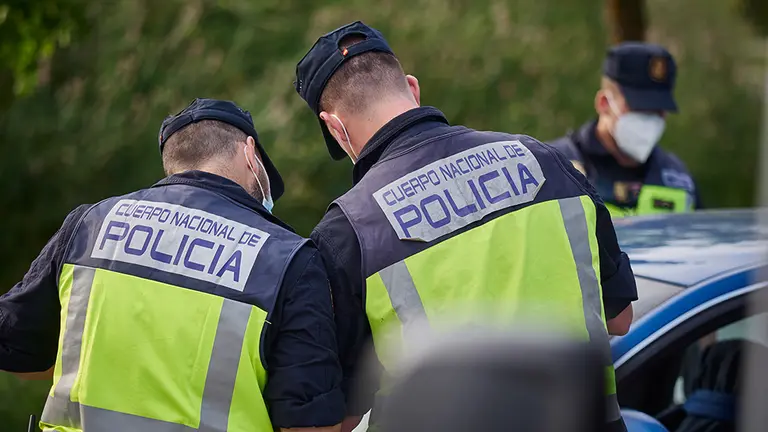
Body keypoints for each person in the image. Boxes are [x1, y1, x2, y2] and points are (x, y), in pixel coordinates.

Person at [294, 21, 638, 432]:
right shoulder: (545, 161)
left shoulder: (349, 230)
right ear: (412, 88)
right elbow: (620, 318)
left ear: (336, 127)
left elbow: (341, 416)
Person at [0, 98, 344, 432]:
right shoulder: (287, 258)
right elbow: (311, 424)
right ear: (250, 154)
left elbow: (18, 352)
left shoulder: (89, 225)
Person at [548, 43, 701, 218]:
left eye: (658, 111)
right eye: (639, 108)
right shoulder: (555, 167)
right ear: (604, 103)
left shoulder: (678, 178)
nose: (650, 119)